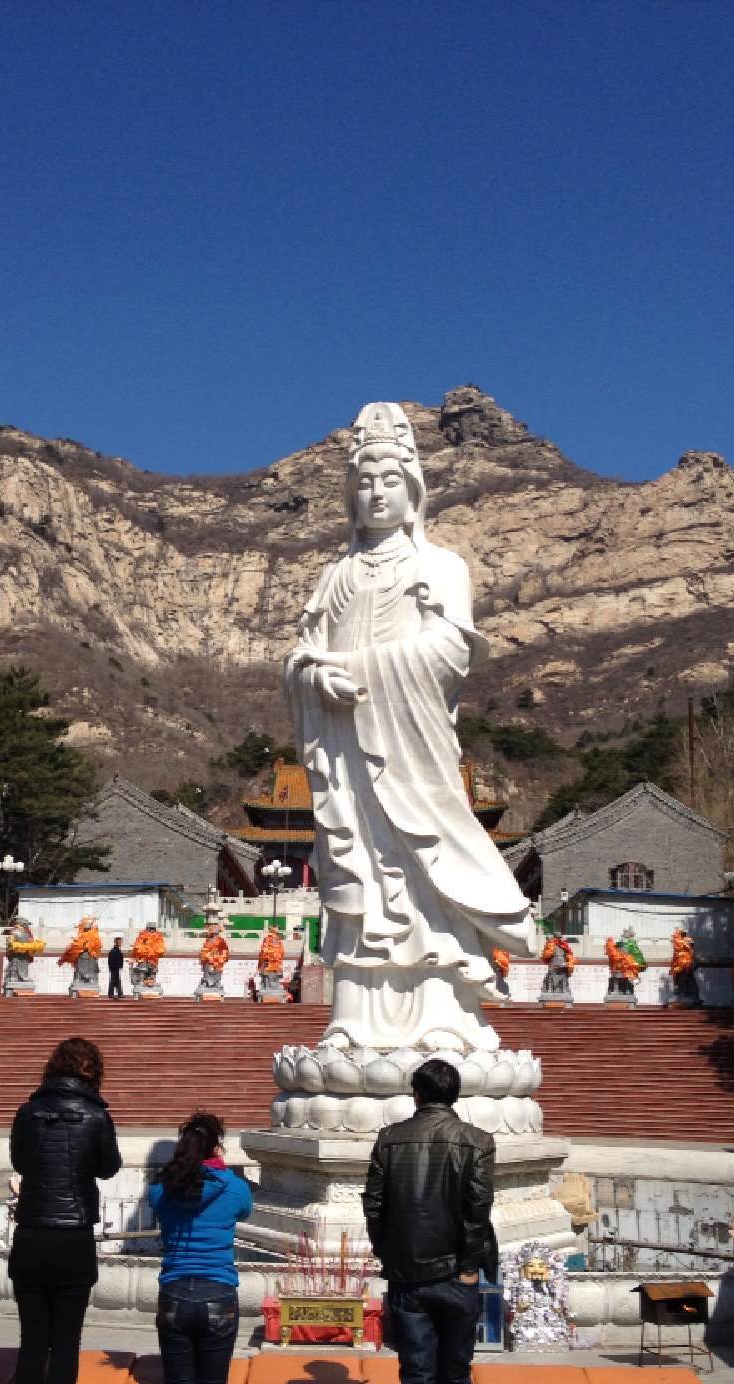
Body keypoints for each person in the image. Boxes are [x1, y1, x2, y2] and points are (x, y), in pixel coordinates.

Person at [285, 402, 537, 1055]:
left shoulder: (441, 566)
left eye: (388, 481)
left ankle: (443, 1013)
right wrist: (317, 680)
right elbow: (301, 659)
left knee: (423, 874)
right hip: (347, 759)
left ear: (413, 491)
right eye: (363, 482)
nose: (375, 493)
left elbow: (451, 654)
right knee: (356, 874)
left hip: (411, 753)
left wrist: (357, 670)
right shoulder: (333, 575)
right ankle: (354, 1016)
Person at [361, 1058, 495, 1384]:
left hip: (408, 1274)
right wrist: (470, 1264)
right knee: (453, 1372)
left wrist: (388, 1254)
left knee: (417, 1376)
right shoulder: (476, 1142)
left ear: (416, 1094)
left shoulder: (390, 1139)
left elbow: (374, 1207)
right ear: (453, 1095)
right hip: (457, 1274)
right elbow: (477, 1212)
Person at [9, 1036, 122, 1384]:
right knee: (65, 1342)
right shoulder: (96, 1115)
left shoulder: (28, 1111)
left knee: (33, 1342)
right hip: (73, 1234)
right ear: (92, 1070)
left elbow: (21, 1162)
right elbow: (109, 1167)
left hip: (32, 1232)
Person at [147, 1111, 252, 1384]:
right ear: (217, 1146)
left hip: (174, 1292)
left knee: (179, 1381)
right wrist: (220, 1167)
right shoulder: (233, 1186)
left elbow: (164, 1199)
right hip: (218, 1293)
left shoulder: (161, 1189)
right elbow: (245, 1210)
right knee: (212, 1383)